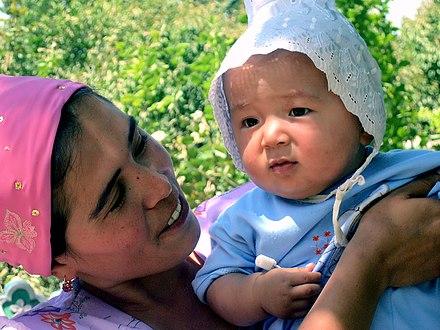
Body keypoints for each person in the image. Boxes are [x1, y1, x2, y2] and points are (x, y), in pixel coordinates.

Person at [0, 76, 438, 330]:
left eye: (138, 143)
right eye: (114, 198)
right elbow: (381, 243)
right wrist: (369, 261)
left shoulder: (252, 214)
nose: (159, 186)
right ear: (56, 262)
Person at [192, 0, 440, 328]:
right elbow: (215, 285)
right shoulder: (246, 219)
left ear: (362, 119)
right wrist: (256, 292)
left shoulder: (404, 171)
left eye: (297, 111)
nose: (271, 136)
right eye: (250, 120)